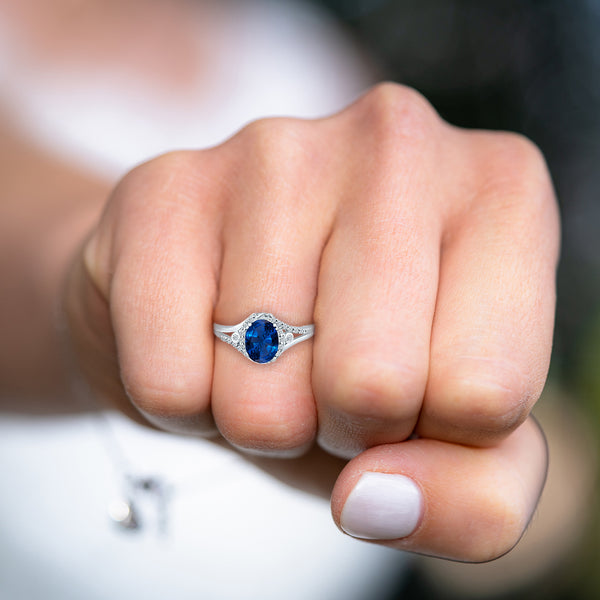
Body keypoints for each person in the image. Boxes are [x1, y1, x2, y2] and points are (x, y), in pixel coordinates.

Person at [0, 0, 559, 598]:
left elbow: (398, 285)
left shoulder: (306, 50)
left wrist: (502, 437)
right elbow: (26, 228)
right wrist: (98, 267)